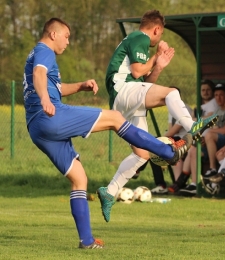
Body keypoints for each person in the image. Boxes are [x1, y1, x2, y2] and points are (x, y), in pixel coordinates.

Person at [23, 18, 193, 249]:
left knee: (79, 179)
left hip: (36, 127)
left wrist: (80, 86)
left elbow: (55, 87)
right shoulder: (45, 51)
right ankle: (166, 150)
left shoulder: (35, 53)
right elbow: (39, 77)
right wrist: (45, 99)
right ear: (53, 34)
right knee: (114, 118)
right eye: (67, 36)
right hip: (50, 116)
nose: (68, 42)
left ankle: (87, 241)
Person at [97, 9, 218, 222]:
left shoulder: (136, 41)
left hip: (126, 98)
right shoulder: (139, 37)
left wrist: (158, 65)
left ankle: (110, 190)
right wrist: (156, 56)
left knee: (142, 154)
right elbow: (136, 73)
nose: (159, 39)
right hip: (123, 90)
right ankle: (193, 127)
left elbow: (145, 86)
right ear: (157, 29)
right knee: (171, 92)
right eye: (160, 35)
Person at [166, 79, 219, 195]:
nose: (205, 92)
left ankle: (193, 184)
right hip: (196, 139)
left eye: (208, 90)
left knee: (192, 150)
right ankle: (179, 184)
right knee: (177, 152)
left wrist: (196, 120)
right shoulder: (201, 106)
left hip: (207, 141)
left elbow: (205, 121)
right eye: (203, 90)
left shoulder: (214, 104)